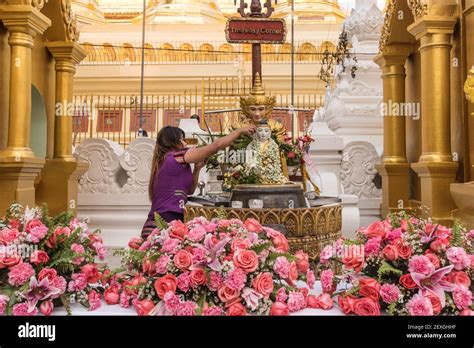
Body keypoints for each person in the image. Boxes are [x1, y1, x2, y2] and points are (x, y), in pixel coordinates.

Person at [141, 124, 255, 238]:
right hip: (163, 222)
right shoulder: (175, 156)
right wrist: (239, 131)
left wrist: (197, 169)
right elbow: (216, 146)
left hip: (165, 222)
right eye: (182, 140)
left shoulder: (167, 161)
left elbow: (189, 190)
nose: (185, 144)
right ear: (173, 142)